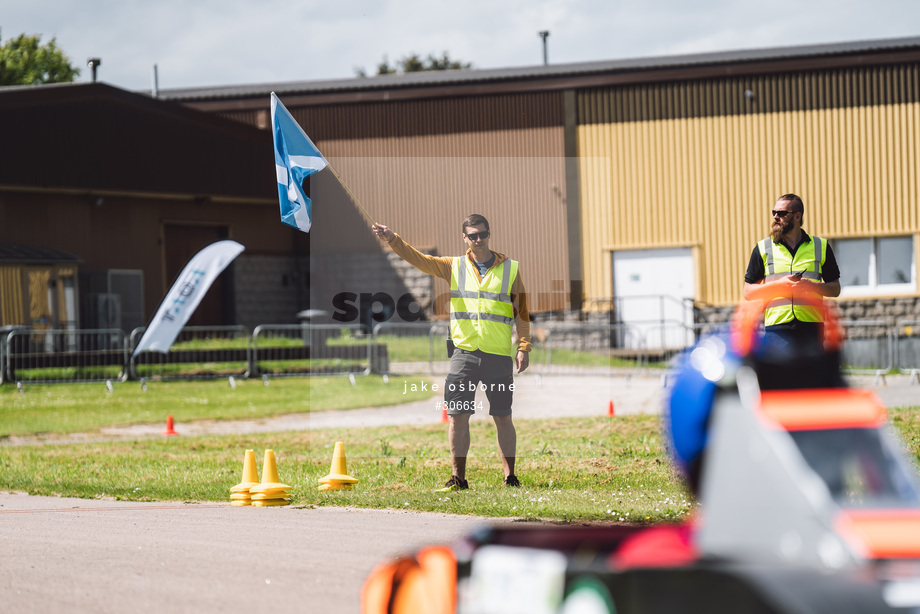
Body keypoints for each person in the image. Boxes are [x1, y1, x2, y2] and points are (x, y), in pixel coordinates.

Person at [372, 214, 531, 491]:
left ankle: (510, 477)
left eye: (482, 234)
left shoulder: (510, 269)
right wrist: (392, 240)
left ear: (489, 234)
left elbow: (523, 313)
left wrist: (524, 347)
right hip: (464, 352)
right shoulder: (453, 266)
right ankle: (458, 478)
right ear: (464, 238)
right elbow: (420, 260)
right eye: (472, 235)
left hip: (497, 355)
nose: (478, 239)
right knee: (457, 415)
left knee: (503, 416)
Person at [743, 194, 841, 352]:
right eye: (774, 212)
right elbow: (748, 292)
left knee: (810, 377)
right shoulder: (762, 248)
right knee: (778, 377)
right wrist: (779, 285)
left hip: (812, 329)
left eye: (781, 213)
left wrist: (811, 286)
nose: (776, 217)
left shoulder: (820, 246)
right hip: (776, 331)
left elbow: (835, 289)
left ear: (797, 216)